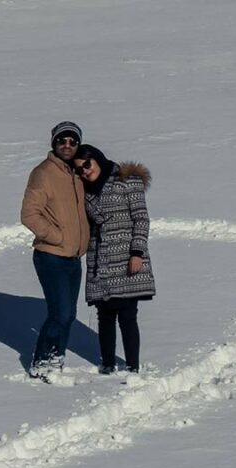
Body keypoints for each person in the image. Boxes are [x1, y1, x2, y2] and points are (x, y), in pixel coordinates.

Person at [72, 144, 156, 374]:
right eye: (79, 170)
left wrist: (137, 253)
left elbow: (141, 219)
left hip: (127, 257)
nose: (85, 172)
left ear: (97, 159)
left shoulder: (127, 181)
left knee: (127, 314)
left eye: (87, 165)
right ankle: (107, 364)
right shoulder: (85, 191)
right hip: (100, 259)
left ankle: (132, 367)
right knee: (105, 314)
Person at [20, 121, 88, 382]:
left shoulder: (77, 173)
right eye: (62, 141)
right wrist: (58, 237)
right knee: (60, 313)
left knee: (68, 315)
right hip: (51, 256)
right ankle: (41, 363)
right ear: (54, 144)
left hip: (73, 257)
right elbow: (28, 214)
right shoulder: (43, 173)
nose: (67, 145)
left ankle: (56, 360)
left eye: (72, 141)